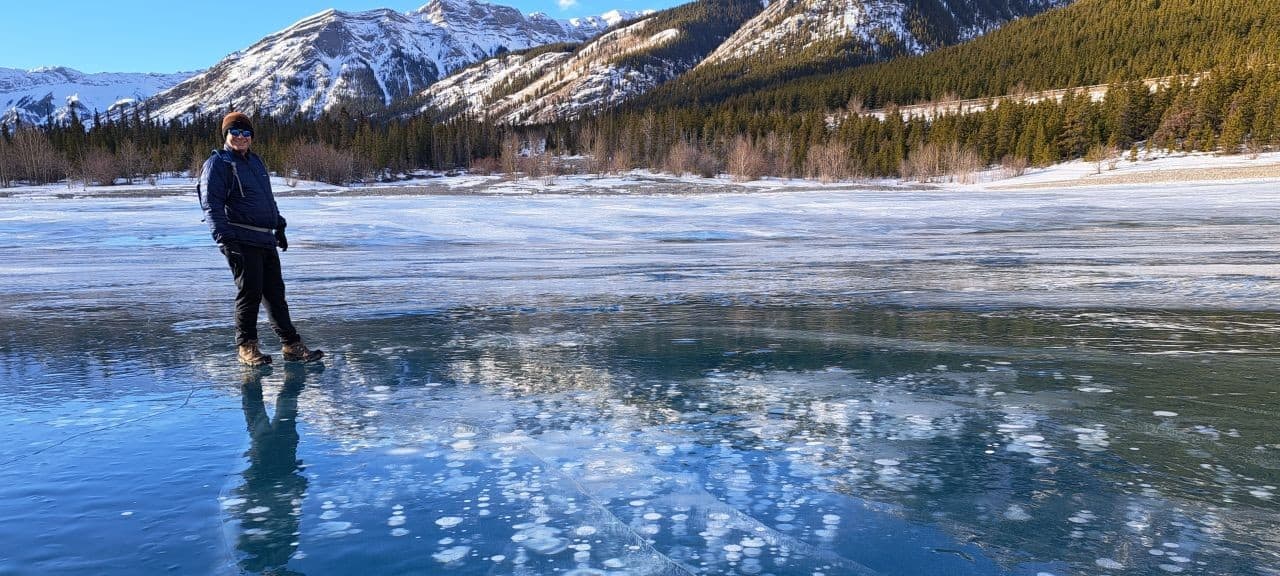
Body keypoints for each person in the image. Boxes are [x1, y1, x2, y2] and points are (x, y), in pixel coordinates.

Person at [200, 111, 322, 366]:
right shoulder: (218, 164)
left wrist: (279, 224)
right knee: (250, 293)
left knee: (276, 295)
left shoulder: (254, 162)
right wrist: (225, 239)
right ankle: (246, 347)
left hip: (265, 240)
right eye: (235, 132)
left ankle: (291, 344)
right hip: (240, 239)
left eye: (246, 133)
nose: (241, 137)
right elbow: (211, 205)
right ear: (226, 135)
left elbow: (267, 198)